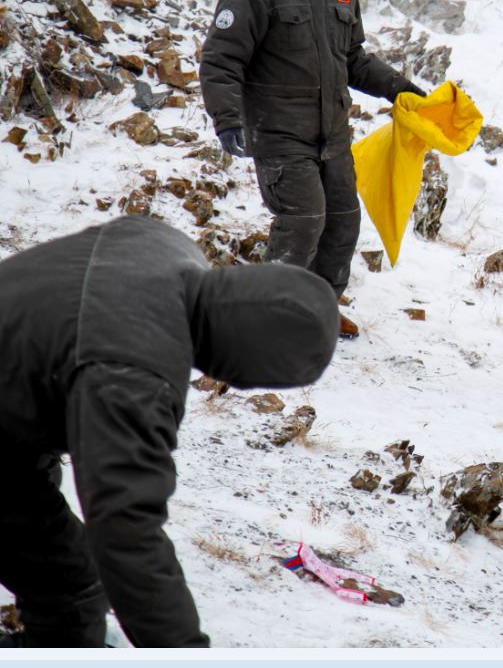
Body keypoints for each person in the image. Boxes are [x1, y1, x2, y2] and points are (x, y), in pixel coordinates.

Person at [0, 216, 338, 647]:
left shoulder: (162, 244)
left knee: (64, 571)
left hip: (11, 415)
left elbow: (54, 343)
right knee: (70, 589)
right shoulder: (135, 369)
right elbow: (126, 528)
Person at [199, 0, 426, 339]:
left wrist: (401, 90)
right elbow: (222, 60)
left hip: (333, 135)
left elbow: (354, 60)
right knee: (304, 221)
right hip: (279, 133)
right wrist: (227, 120)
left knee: (343, 222)